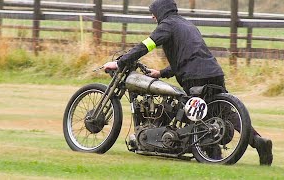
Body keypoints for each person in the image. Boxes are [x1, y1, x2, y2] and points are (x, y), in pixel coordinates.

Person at [103, 0, 273, 166]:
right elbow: (189, 57)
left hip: (194, 77)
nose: (152, 18)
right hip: (214, 73)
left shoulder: (167, 26)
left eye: (153, 14)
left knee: (193, 114)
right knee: (224, 112)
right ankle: (258, 142)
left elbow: (146, 45)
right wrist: (161, 73)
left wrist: (120, 62)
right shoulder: (187, 25)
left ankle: (212, 153)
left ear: (161, 11)